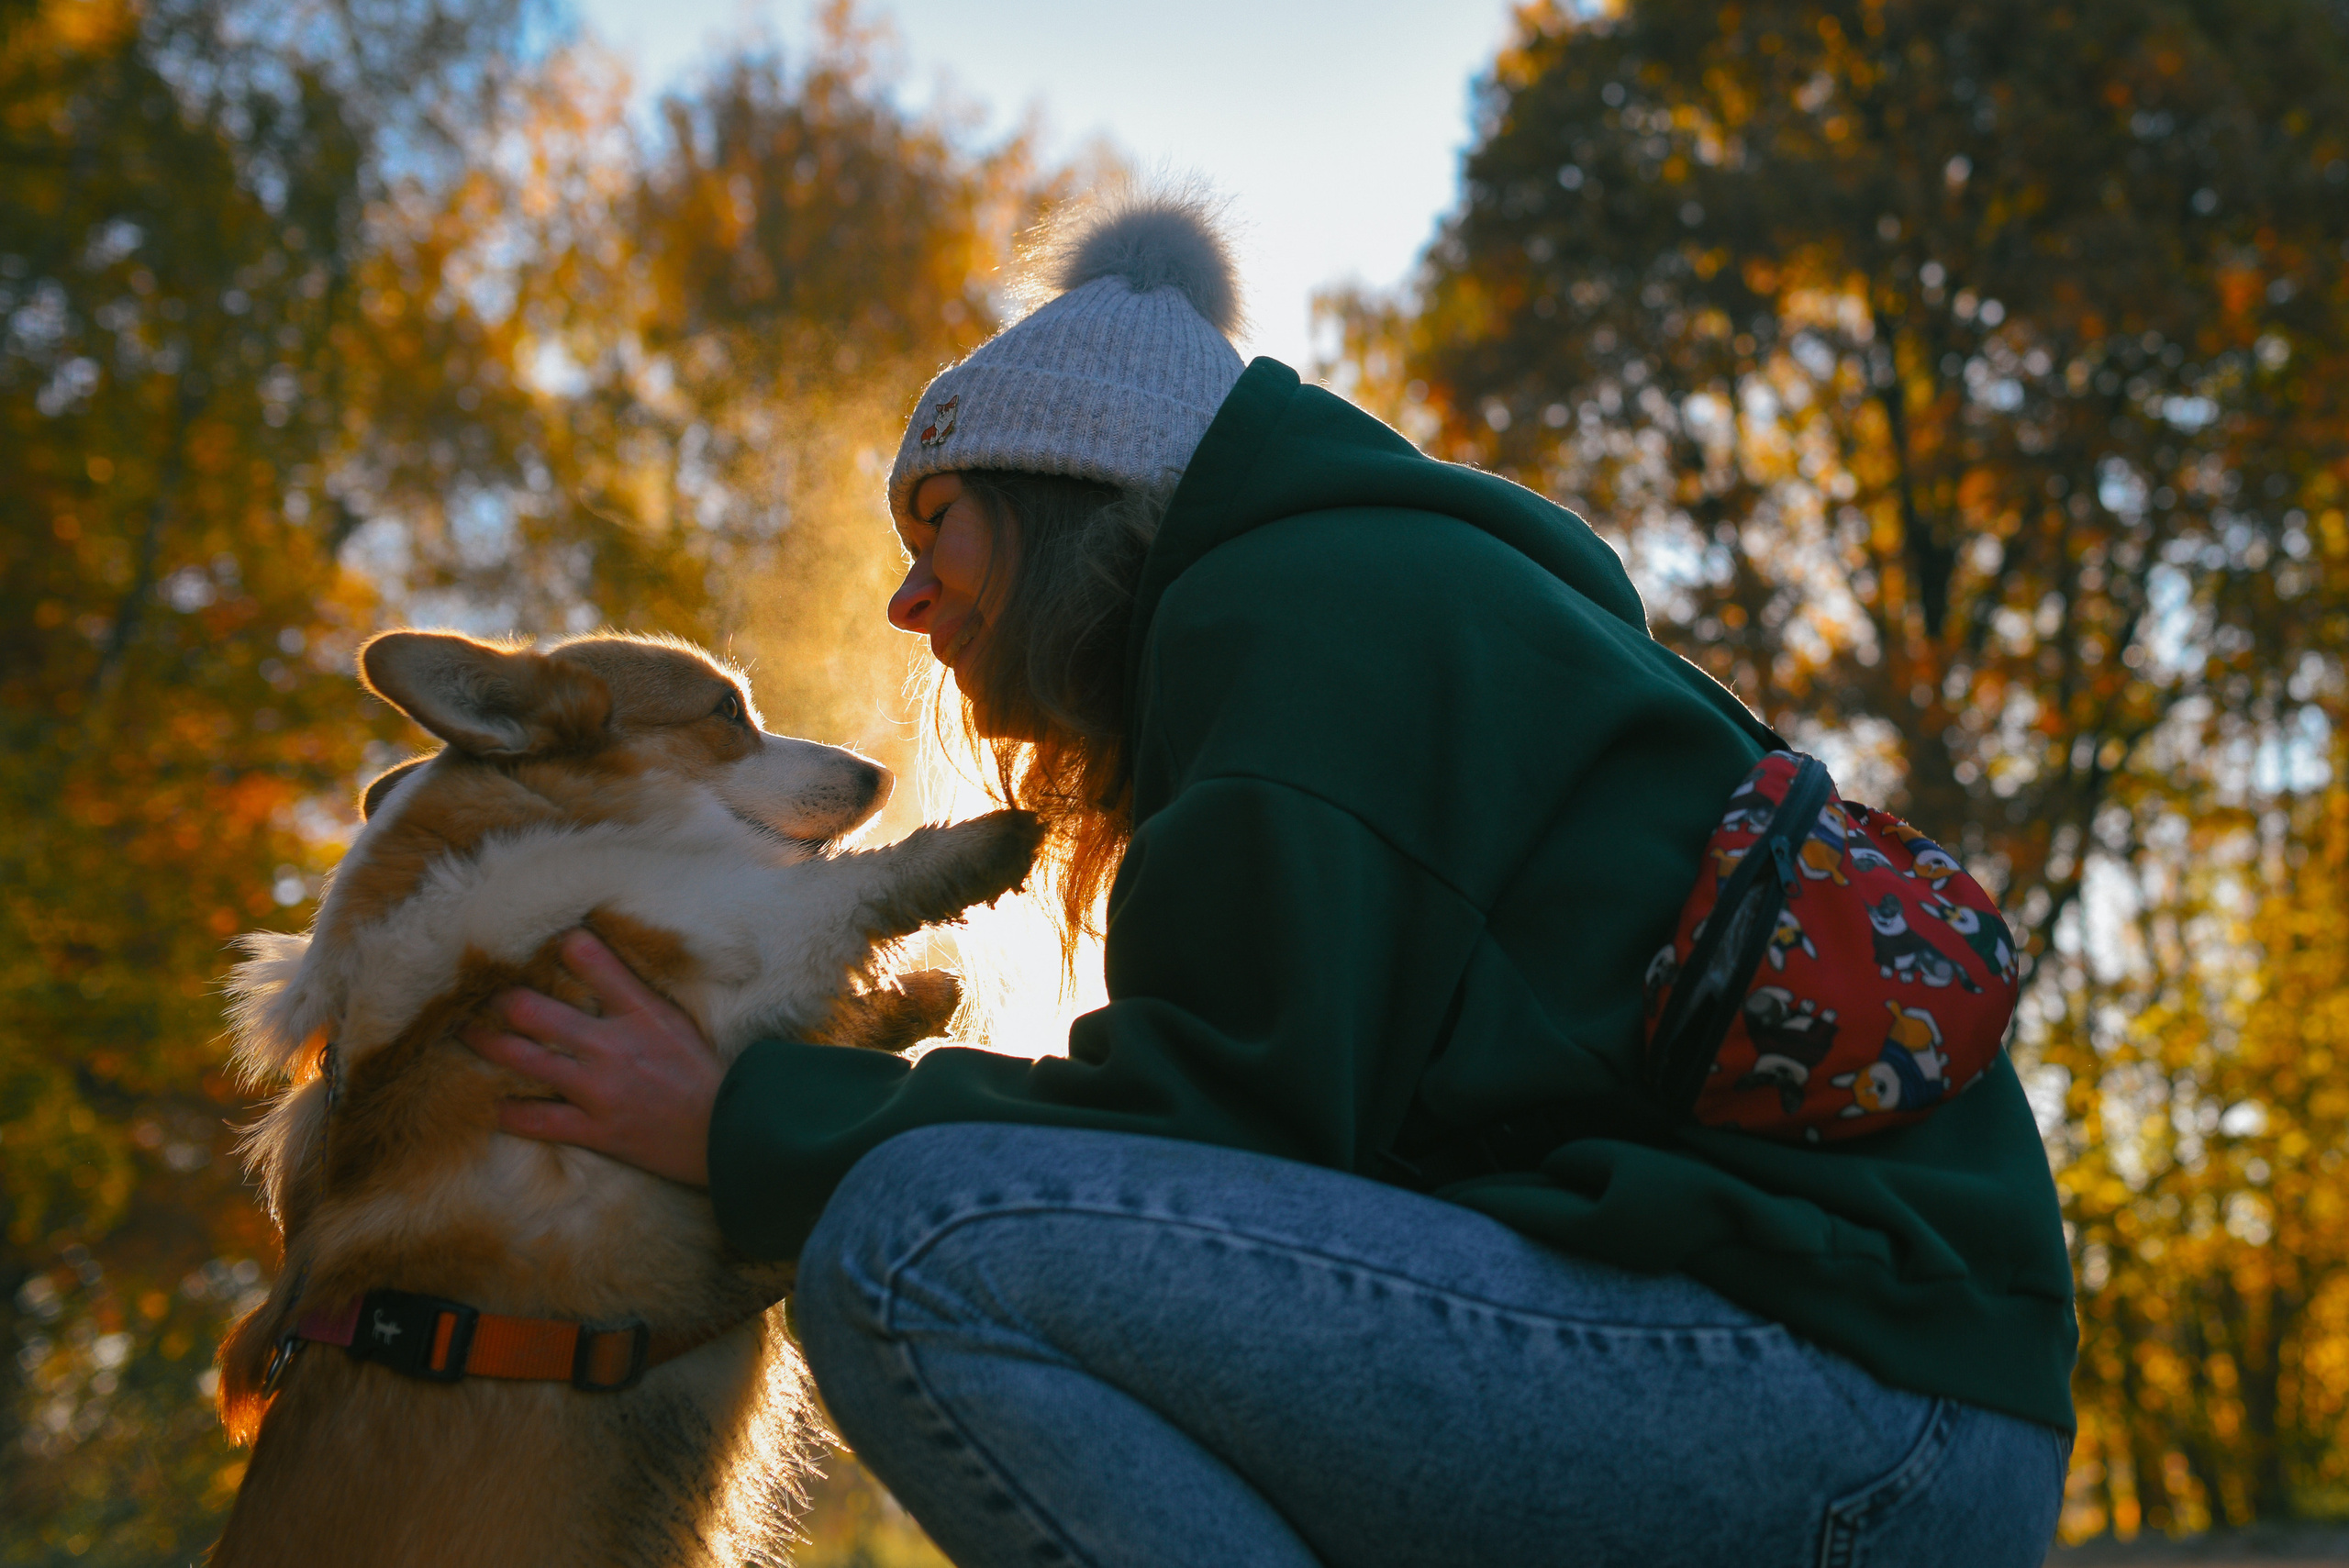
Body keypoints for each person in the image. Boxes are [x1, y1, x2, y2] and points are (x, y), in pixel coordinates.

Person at [465, 187, 2075, 1567]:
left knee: (908, 1240)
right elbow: (1284, 1196)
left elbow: (1214, 1116)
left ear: (1056, 494)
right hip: (1853, 1386)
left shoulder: (1299, 616)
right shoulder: (1371, 603)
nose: (905, 600)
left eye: (937, 521)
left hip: (1850, 1407)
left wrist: (738, 1120)